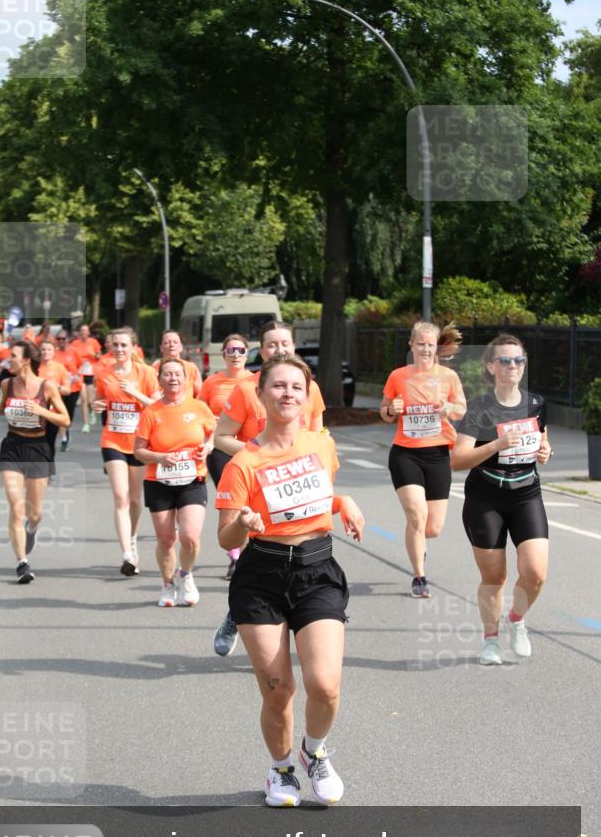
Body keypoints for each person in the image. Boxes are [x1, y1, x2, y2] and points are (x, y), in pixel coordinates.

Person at [216, 354, 364, 807]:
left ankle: (314, 752)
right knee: (279, 689)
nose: (287, 394)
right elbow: (226, 534)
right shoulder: (243, 462)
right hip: (261, 574)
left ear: (307, 396)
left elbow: (318, 497)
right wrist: (244, 522)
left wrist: (344, 502)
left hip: (317, 569)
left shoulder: (321, 444)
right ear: (260, 396)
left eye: (295, 387)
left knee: (326, 685)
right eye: (277, 386)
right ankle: (280, 769)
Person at [212, 320, 326, 655]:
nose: (280, 350)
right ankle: (239, 611)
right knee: (261, 547)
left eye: (285, 344)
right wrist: (262, 456)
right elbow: (221, 438)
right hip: (258, 479)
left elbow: (318, 436)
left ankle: (301, 615)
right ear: (261, 351)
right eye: (272, 345)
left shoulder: (309, 388)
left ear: (294, 347)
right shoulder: (248, 389)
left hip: (298, 478)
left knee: (300, 546)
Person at [451, 334, 551, 665]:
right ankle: (490, 640)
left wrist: (545, 451)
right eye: (505, 360)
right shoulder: (479, 409)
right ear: (491, 367)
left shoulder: (536, 403)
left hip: (526, 493)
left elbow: (541, 439)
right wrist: (496, 445)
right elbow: (458, 459)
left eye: (519, 360)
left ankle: (517, 619)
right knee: (495, 576)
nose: (513, 366)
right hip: (486, 498)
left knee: (535, 573)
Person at [380, 321, 466, 598]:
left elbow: (462, 410)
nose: (426, 349)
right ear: (412, 345)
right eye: (421, 344)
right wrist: (391, 410)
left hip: (438, 453)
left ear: (436, 346)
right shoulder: (398, 376)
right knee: (417, 515)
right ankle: (419, 577)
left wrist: (449, 408)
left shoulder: (449, 376)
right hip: (405, 453)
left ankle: (416, 540)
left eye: (430, 344)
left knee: (433, 527)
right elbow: (384, 411)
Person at [0, 340, 70, 583]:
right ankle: (22, 563)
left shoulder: (47, 387)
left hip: (38, 449)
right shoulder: (6, 384)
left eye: (12, 356)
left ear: (25, 360)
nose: (7, 360)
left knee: (34, 513)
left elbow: (65, 420)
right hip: (12, 447)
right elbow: (4, 409)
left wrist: (41, 411)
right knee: (16, 507)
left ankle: (32, 528)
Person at [134, 358, 215, 606]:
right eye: (167, 374)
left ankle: (186, 574)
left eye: (178, 374)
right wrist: (159, 457)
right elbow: (138, 451)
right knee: (166, 539)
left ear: (186, 378)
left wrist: (207, 448)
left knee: (190, 537)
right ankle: (168, 584)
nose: (173, 378)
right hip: (159, 480)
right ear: (159, 380)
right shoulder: (151, 412)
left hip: (193, 479)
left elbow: (212, 435)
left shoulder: (199, 408)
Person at [93, 328, 160, 575]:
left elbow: (156, 405)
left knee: (134, 499)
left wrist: (134, 392)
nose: (119, 349)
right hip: (112, 441)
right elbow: (100, 401)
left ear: (133, 347)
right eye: (116, 345)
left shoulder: (146, 373)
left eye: (124, 345)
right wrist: (97, 406)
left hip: (139, 443)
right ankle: (127, 554)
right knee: (120, 497)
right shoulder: (104, 374)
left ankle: (132, 537)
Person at [198, 333, 254, 579]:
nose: (235, 355)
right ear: (223, 355)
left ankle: (251, 552)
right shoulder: (212, 382)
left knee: (252, 502)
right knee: (233, 503)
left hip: (250, 450)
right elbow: (199, 412)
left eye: (240, 350)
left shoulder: (255, 381)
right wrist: (213, 423)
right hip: (220, 448)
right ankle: (235, 557)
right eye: (230, 351)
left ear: (247, 353)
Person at [38, 339, 71, 462]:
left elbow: (67, 390)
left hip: (53, 411)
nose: (46, 352)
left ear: (53, 352)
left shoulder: (59, 368)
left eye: (49, 349)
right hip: (36, 410)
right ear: (39, 352)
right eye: (43, 349)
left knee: (50, 441)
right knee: (37, 442)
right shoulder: (33, 367)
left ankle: (49, 469)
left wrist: (54, 387)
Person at [152, 330, 202, 399]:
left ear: (181, 347)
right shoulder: (152, 370)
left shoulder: (191, 368)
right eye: (167, 343)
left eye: (175, 342)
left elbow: (200, 394)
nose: (171, 345)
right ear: (161, 348)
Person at [70, 324, 102, 433]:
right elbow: (72, 358)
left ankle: (92, 411)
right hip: (80, 373)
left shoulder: (93, 342)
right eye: (82, 331)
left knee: (90, 400)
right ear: (79, 333)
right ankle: (86, 424)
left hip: (90, 372)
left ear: (88, 333)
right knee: (83, 399)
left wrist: (93, 354)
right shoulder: (74, 344)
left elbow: (99, 357)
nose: (84, 333)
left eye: (85, 331)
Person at [54, 331, 82, 451]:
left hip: (73, 388)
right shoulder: (54, 353)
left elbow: (80, 365)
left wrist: (76, 375)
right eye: (59, 338)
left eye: (63, 339)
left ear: (67, 339)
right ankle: (64, 438)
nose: (61, 341)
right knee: (60, 412)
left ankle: (66, 430)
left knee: (69, 415)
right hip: (59, 389)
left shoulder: (74, 351)